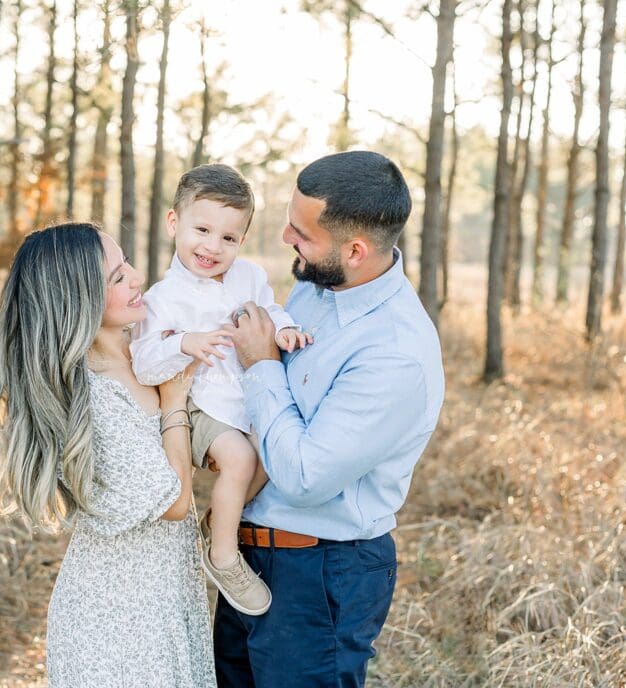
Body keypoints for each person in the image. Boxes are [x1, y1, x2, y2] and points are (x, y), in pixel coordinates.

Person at [214, 151, 445, 687]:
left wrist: (261, 364)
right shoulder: (316, 287)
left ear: (355, 250)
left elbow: (304, 477)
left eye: (301, 234)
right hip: (253, 556)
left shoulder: (395, 353)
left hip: (320, 575)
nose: (285, 239)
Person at [0, 223, 216, 687]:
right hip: (116, 620)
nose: (137, 277)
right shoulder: (92, 392)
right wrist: (173, 403)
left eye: (127, 265)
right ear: (78, 298)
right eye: (117, 277)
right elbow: (174, 502)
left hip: (163, 598)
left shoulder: (143, 346)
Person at [130, 164, 311, 616]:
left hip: (245, 396)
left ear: (242, 240)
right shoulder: (162, 298)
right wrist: (183, 343)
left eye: (228, 238)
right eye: (202, 230)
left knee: (273, 453)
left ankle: (217, 523)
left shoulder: (248, 276)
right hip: (202, 404)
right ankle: (223, 556)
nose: (213, 247)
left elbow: (269, 309)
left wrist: (283, 329)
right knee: (241, 459)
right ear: (174, 223)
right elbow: (145, 363)